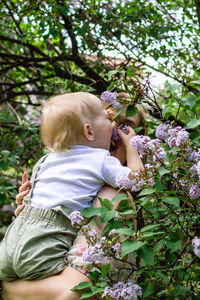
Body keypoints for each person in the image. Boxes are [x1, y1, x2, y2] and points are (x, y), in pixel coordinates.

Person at [2, 92, 147, 300]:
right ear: (88, 131)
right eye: (108, 118)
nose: (115, 129)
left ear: (139, 142)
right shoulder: (67, 173)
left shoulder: (114, 199)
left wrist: (9, 288)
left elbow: (66, 294)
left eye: (126, 127)